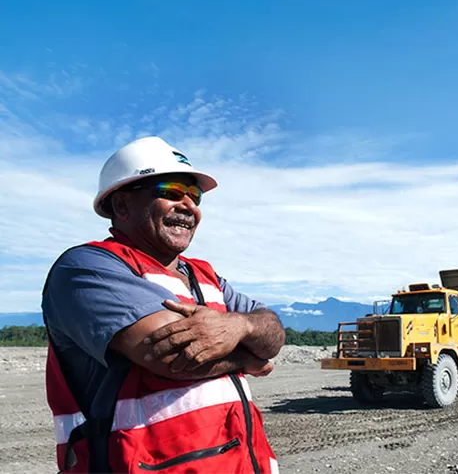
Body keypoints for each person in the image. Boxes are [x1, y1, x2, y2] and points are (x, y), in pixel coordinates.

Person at [41, 136, 285, 474]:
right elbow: (170, 356)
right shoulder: (87, 268)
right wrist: (246, 356)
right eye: (171, 191)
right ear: (122, 205)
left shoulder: (205, 275)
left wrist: (238, 326)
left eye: (194, 195)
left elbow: (271, 327)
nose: (189, 206)